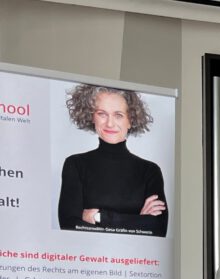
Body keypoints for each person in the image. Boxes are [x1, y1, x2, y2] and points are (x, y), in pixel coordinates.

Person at [58, 84, 167, 237]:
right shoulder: (75, 164)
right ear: (91, 117)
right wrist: (138, 221)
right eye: (102, 114)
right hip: (87, 252)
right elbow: (69, 225)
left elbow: (158, 229)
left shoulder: (150, 171)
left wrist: (99, 217)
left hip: (135, 253)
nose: (109, 123)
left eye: (118, 115)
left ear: (130, 120)